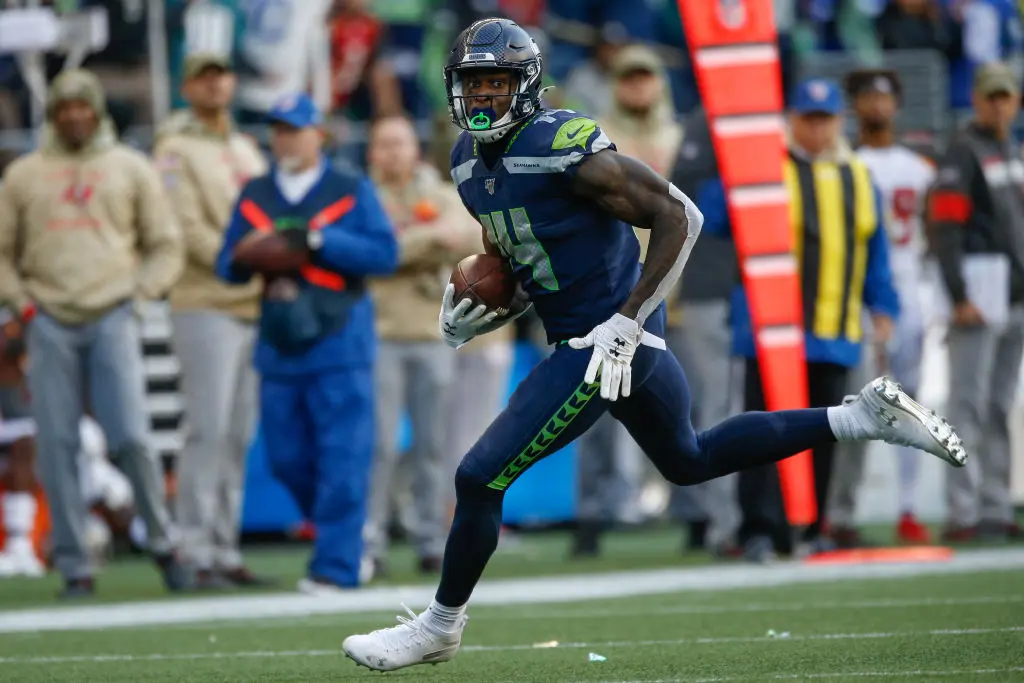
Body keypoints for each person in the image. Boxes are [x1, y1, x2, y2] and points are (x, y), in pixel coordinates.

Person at [341, 18, 967, 672]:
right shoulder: (467, 161)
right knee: (689, 458)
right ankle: (859, 416)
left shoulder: (563, 145)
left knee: (477, 476)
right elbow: (529, 262)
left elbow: (681, 216)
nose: (483, 98)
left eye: (496, 83)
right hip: (592, 332)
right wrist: (482, 314)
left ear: (525, 86)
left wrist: (629, 319)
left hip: (606, 336)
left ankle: (440, 624)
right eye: (472, 84)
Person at [0, 69, 188, 599]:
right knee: (55, 444)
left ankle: (162, 541)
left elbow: (165, 244)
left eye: (84, 105)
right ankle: (73, 562)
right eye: (65, 107)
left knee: (131, 436)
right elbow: (3, 253)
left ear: (98, 109)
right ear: (54, 113)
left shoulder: (128, 166)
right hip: (49, 318)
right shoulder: (25, 173)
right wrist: (21, 302)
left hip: (112, 311)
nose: (75, 115)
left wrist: (139, 297)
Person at [215, 92, 398, 593]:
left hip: (340, 341)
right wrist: (252, 257)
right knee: (286, 458)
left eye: (295, 129)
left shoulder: (349, 186)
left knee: (343, 456)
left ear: (318, 134)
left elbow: (384, 254)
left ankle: (336, 566)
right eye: (277, 129)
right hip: (279, 342)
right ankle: (348, 539)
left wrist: (316, 242)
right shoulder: (254, 193)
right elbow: (226, 265)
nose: (285, 139)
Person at [155, 53, 272, 588]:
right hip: (205, 300)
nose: (215, 84)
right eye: (203, 76)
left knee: (236, 432)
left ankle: (224, 548)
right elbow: (182, 227)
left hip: (250, 303)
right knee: (206, 429)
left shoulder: (245, 148)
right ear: (187, 87)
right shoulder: (174, 150)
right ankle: (194, 549)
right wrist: (246, 262)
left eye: (222, 75)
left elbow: (274, 212)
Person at [827, 69, 937, 546]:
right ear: (854, 106)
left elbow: (935, 239)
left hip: (911, 292)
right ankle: (838, 511)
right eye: (868, 97)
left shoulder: (920, 168)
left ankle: (909, 506)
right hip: (857, 295)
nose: (877, 106)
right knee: (853, 402)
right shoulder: (840, 165)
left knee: (910, 402)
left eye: (884, 97)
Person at [363, 114, 473, 578]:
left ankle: (431, 538)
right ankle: (370, 540)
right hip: (379, 334)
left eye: (399, 143)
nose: (391, 153)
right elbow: (376, 251)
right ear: (372, 152)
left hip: (432, 335)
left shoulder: (440, 192)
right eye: (383, 144)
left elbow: (468, 236)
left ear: (415, 148)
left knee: (432, 445)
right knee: (380, 446)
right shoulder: (361, 197)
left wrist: (407, 245)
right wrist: (429, 241)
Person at [930, 62, 1024, 542]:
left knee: (998, 405)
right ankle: (963, 510)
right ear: (978, 99)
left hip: (1014, 294)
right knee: (968, 404)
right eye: (992, 97)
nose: (999, 104)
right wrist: (959, 294)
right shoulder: (963, 152)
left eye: (1006, 96)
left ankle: (994, 504)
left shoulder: (1011, 148)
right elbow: (945, 227)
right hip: (981, 291)